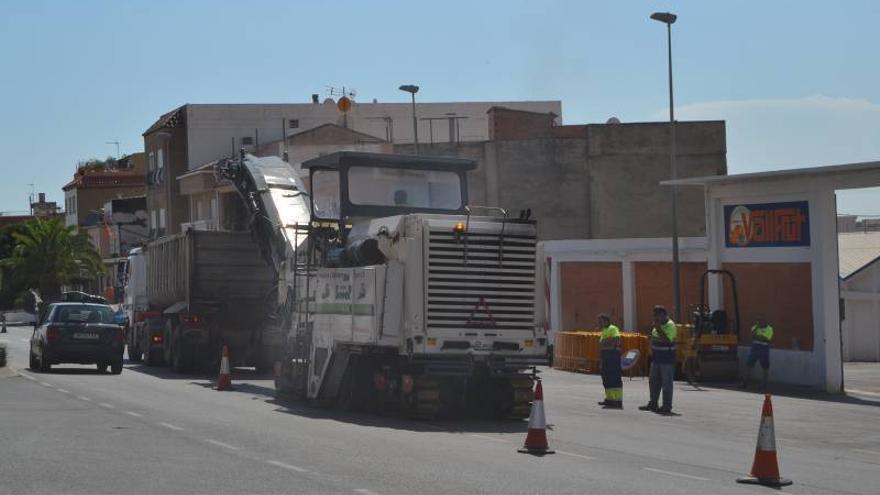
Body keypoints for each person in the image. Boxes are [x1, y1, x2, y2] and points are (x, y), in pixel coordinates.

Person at [639, 305, 677, 414]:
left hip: (667, 359)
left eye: (657, 315)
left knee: (666, 383)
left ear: (664, 315)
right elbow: (654, 338)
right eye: (654, 315)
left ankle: (666, 406)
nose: (655, 318)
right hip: (656, 358)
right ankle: (653, 403)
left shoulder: (670, 325)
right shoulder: (657, 325)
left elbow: (666, 340)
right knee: (653, 382)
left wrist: (658, 328)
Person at [597, 314, 623, 409]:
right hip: (605, 356)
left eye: (601, 321)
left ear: (607, 321)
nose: (600, 323)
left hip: (613, 356)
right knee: (606, 378)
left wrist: (605, 342)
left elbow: (616, 339)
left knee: (614, 378)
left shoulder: (613, 328)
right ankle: (610, 399)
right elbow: (601, 344)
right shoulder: (604, 331)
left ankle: (618, 400)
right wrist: (606, 342)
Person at [741, 315, 773, 390]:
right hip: (754, 348)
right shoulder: (754, 328)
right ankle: (744, 382)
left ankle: (764, 384)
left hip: (764, 349)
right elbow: (752, 336)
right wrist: (757, 332)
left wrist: (758, 337)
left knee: (765, 367)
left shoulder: (769, 329)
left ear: (765, 321)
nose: (760, 322)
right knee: (748, 365)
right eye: (759, 321)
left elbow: (767, 339)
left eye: (762, 320)